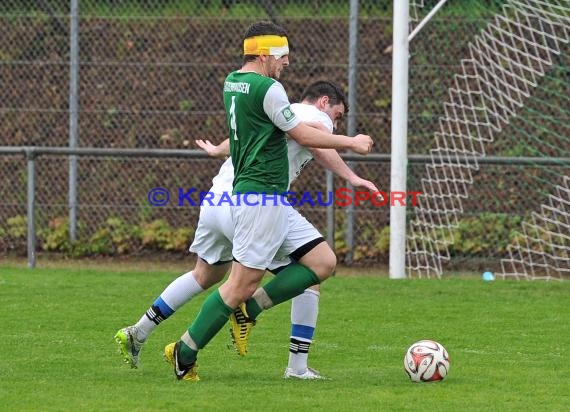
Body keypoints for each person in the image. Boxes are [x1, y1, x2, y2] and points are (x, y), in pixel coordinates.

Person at [114, 80, 380, 380]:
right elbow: (314, 138)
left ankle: (138, 332)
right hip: (255, 203)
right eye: (337, 114)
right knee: (312, 268)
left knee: (206, 275)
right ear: (322, 102)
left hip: (216, 200)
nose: (335, 121)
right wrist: (352, 155)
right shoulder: (315, 117)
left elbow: (241, 139)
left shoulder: (275, 110)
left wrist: (218, 149)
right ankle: (270, 347)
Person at [164, 20, 373, 381]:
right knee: (238, 285)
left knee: (322, 261)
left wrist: (218, 149)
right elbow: (302, 132)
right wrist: (352, 143)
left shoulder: (234, 82)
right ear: (264, 54)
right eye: (282, 56)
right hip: (261, 195)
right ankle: (184, 351)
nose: (286, 63)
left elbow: (254, 131)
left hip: (261, 195)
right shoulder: (271, 88)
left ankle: (251, 313)